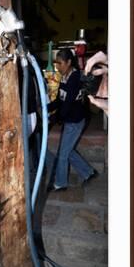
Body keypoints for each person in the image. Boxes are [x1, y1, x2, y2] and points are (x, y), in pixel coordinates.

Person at [47, 48, 97, 191]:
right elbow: (60, 99)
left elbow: (68, 102)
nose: (57, 66)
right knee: (68, 151)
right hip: (70, 120)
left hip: (75, 121)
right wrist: (47, 107)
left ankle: (60, 183)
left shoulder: (75, 77)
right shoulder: (64, 75)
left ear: (69, 62)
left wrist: (55, 117)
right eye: (56, 63)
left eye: (60, 63)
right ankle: (88, 172)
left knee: (63, 154)